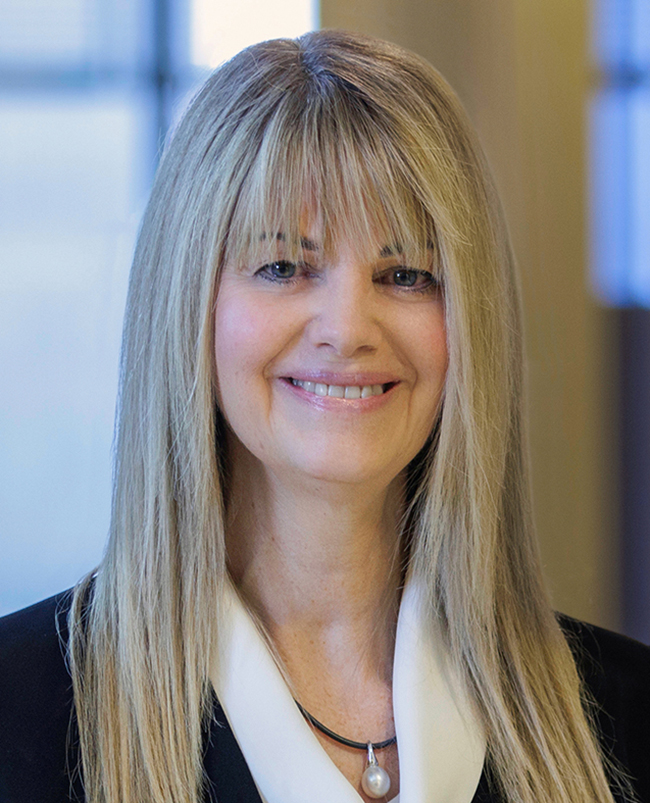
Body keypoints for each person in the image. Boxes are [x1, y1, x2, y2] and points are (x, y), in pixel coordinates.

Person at [0, 28, 648, 803]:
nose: (347, 327)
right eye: (283, 266)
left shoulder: (627, 714)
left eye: (405, 273)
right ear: (187, 307)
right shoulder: (22, 713)